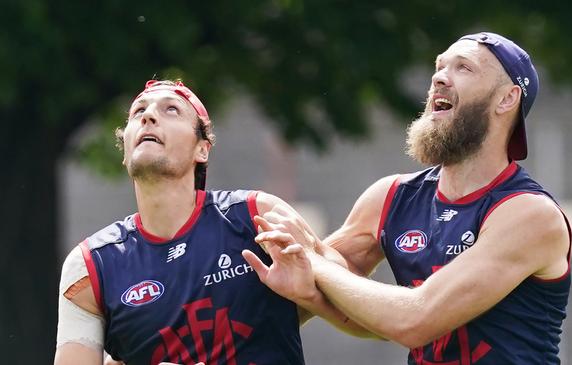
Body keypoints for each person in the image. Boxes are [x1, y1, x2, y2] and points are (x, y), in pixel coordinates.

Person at [244, 32, 572, 364]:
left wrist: (313, 261)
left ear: (506, 99)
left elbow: (415, 321)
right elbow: (350, 305)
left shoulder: (529, 214)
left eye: (464, 68)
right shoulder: (390, 197)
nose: (439, 77)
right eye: (439, 65)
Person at [53, 80, 362, 365]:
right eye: (138, 112)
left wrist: (308, 294)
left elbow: (366, 312)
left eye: (170, 110)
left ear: (202, 149)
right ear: (126, 152)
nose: (147, 117)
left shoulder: (258, 216)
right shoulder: (90, 266)